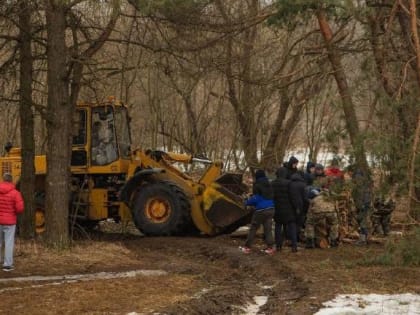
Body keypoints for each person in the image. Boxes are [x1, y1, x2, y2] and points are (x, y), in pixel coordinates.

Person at [239, 170, 275, 255]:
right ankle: (270, 248)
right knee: (268, 229)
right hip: (271, 209)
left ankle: (247, 247)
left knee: (253, 228)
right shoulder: (269, 184)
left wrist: (246, 202)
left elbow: (256, 198)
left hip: (261, 210)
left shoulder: (257, 185)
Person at [0, 173, 24, 271]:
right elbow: (20, 208)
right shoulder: (15, 193)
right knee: (9, 243)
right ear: (11, 181)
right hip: (10, 221)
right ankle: (7, 265)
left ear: (3, 180)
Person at [272, 167, 298, 252]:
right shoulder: (289, 183)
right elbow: (293, 197)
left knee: (278, 226)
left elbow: (271, 197)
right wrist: (296, 207)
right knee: (292, 226)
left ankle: (278, 245)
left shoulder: (273, 183)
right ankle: (294, 246)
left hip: (278, 209)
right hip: (289, 209)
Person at [348, 166, 372, 245]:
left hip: (363, 205)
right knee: (361, 221)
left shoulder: (359, 180)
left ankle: (363, 240)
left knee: (362, 222)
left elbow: (364, 194)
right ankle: (365, 238)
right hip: (362, 205)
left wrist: (364, 204)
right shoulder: (362, 181)